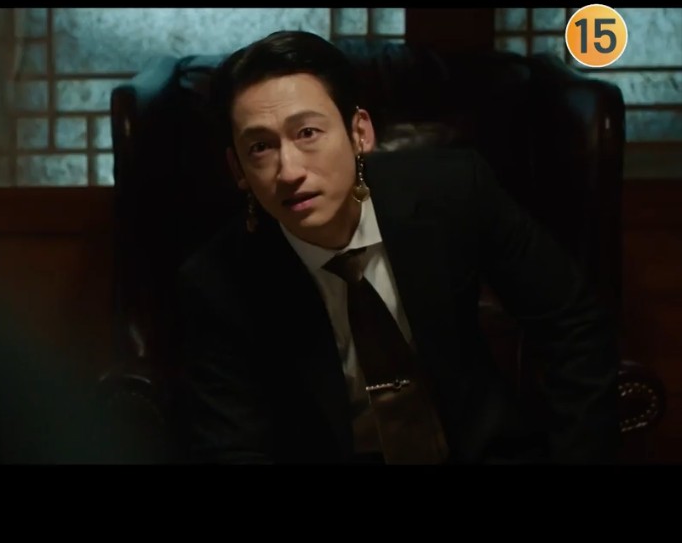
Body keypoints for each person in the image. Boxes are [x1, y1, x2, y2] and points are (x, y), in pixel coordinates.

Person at [172, 30, 620, 464]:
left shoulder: (453, 190)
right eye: (260, 147)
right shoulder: (215, 282)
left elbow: (573, 325)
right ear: (238, 169)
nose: (289, 171)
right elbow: (233, 448)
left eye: (307, 132)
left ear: (359, 133)